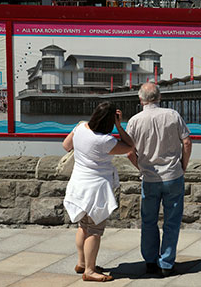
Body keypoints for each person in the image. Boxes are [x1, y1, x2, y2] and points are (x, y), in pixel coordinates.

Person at [62, 102, 135, 282]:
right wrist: (119, 125)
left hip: (78, 185)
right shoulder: (105, 141)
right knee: (94, 230)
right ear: (110, 121)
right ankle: (90, 270)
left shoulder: (80, 128)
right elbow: (129, 146)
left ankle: (81, 262)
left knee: (83, 226)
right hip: (95, 190)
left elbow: (66, 145)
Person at [126, 82, 192, 277]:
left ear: (140, 99)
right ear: (159, 97)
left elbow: (129, 152)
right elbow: (187, 142)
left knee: (148, 221)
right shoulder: (172, 115)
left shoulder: (135, 120)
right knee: (172, 222)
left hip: (150, 178)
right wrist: (183, 166)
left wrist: (142, 167)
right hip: (173, 175)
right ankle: (166, 263)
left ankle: (150, 261)